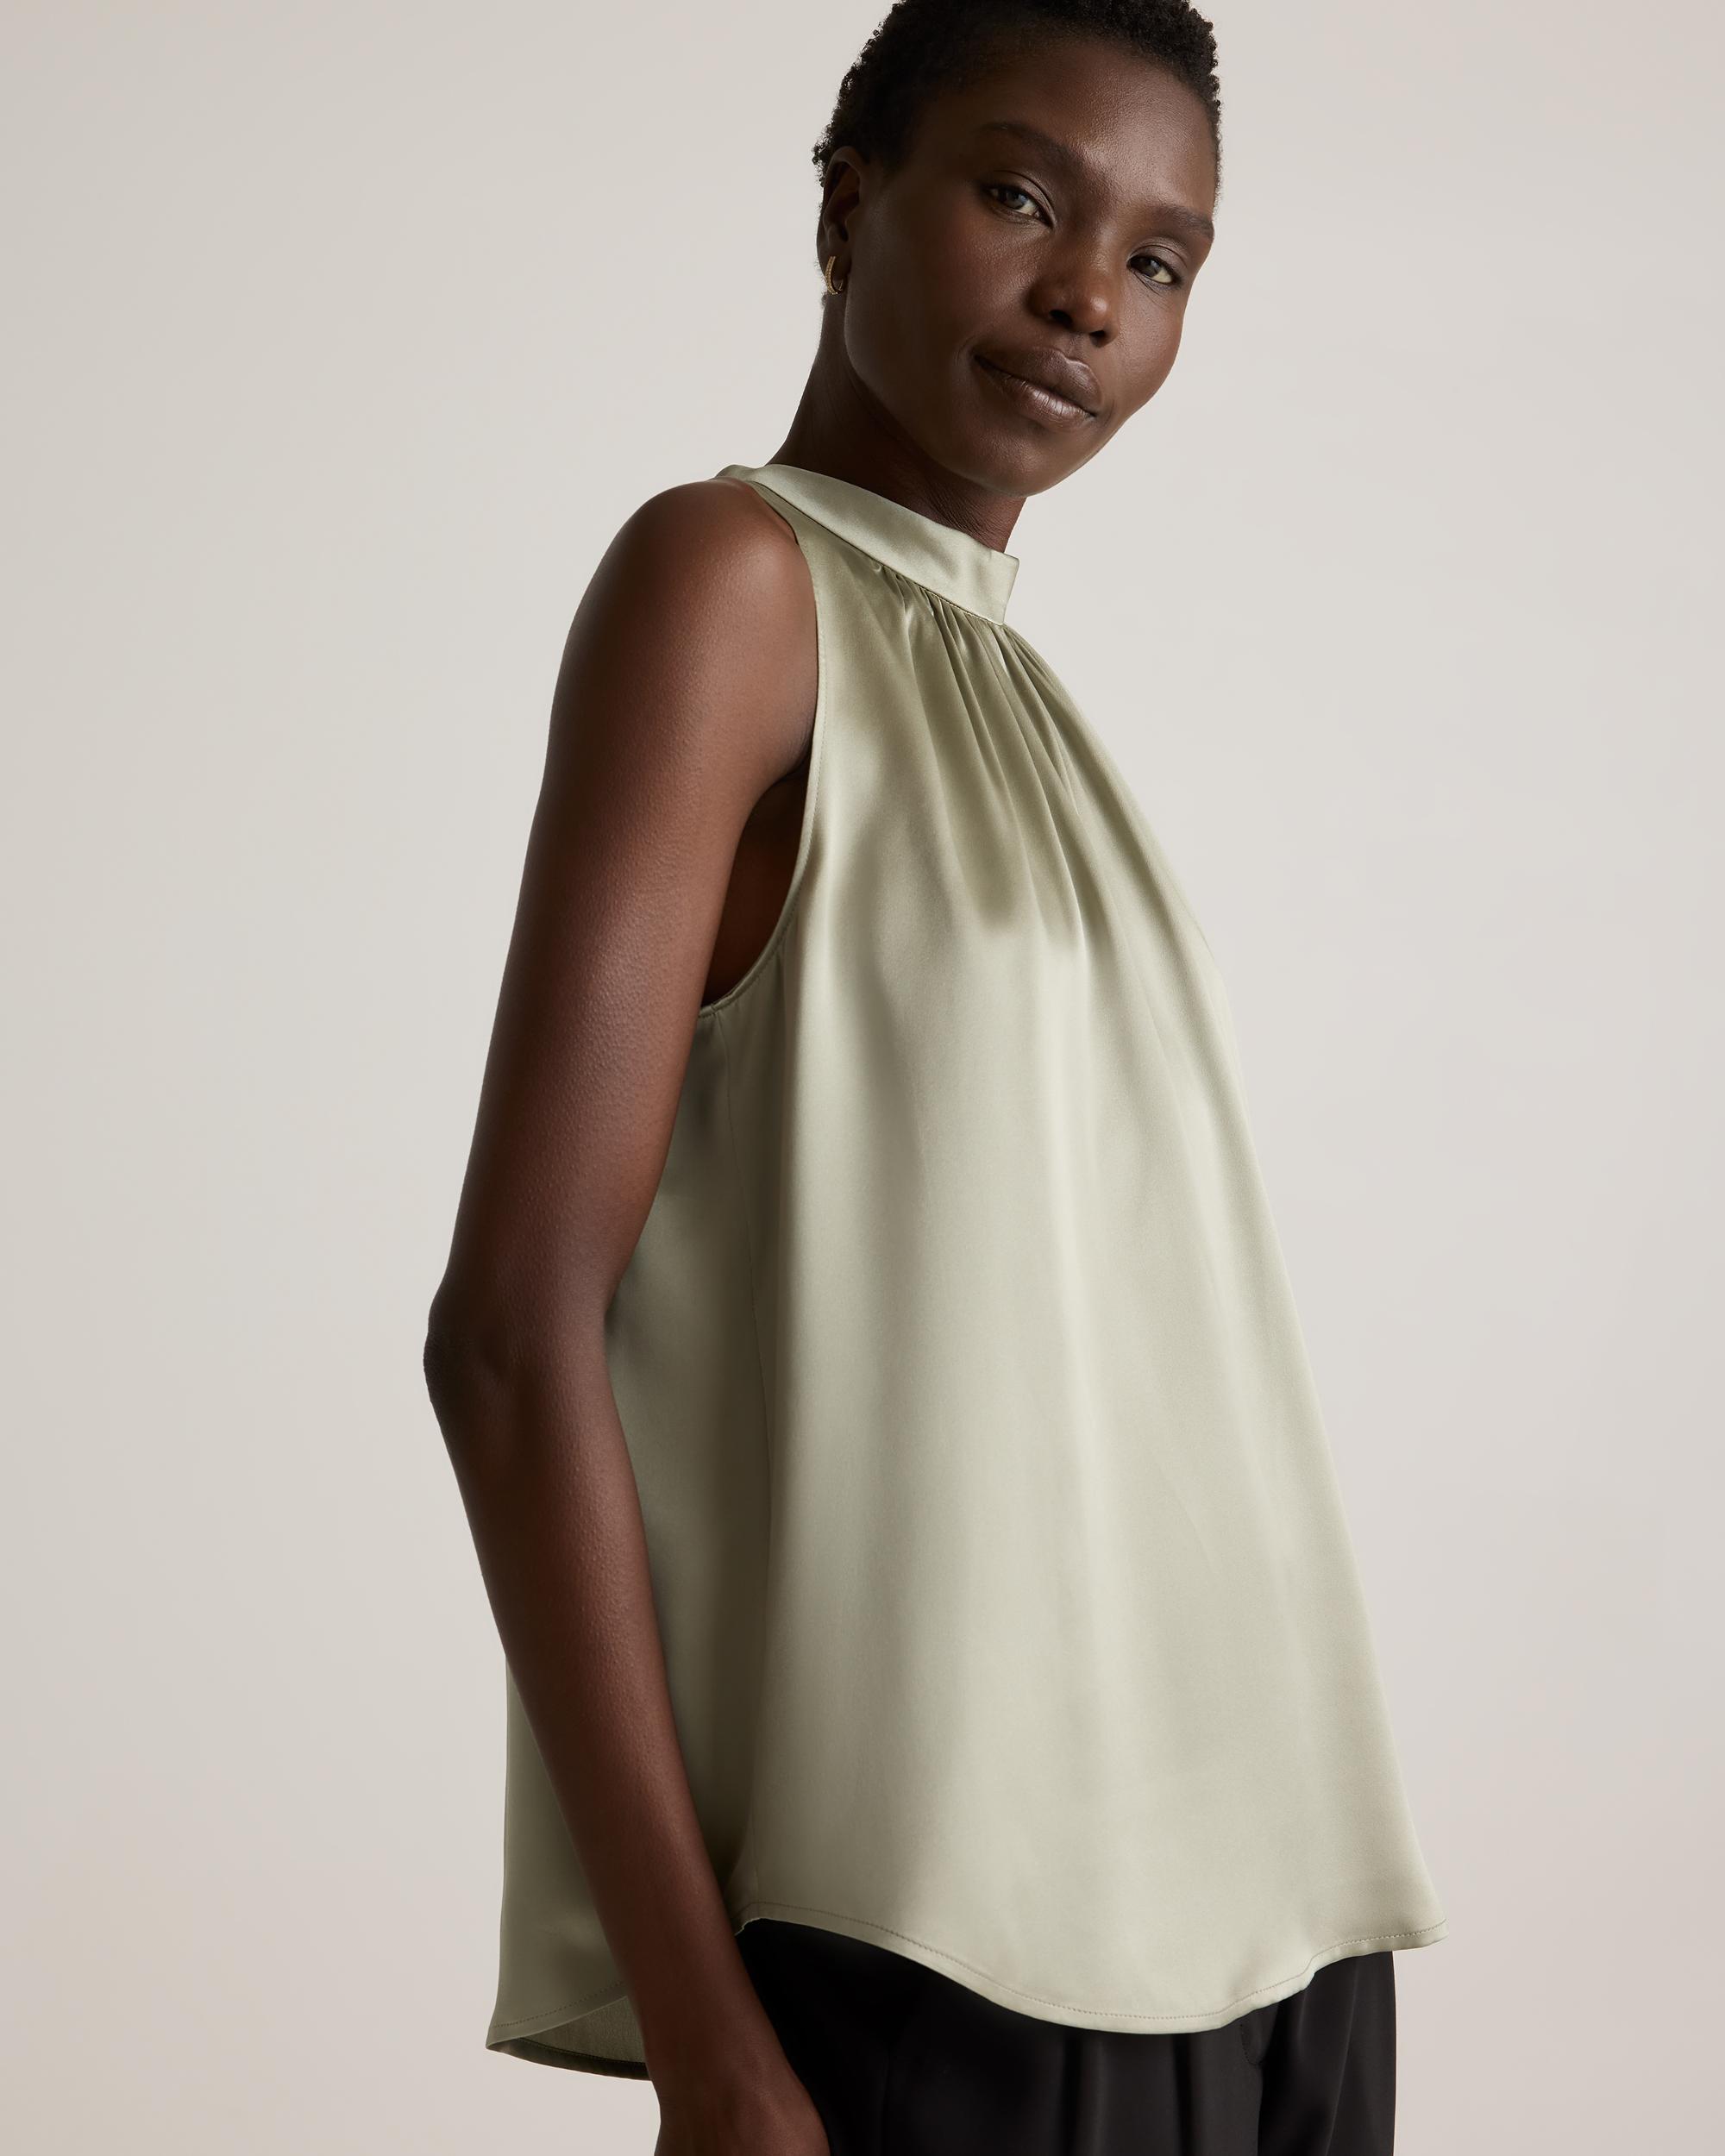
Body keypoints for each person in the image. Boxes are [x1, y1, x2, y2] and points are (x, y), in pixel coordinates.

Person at [422, 3, 1448, 2151]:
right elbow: (510, 1335)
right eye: (1018, 195)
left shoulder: (1010, 683)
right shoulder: (729, 584)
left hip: (1271, 1929)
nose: (1090, 295)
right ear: (844, 204)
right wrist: (709, 2040)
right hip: (950, 1947)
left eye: (1160, 258)